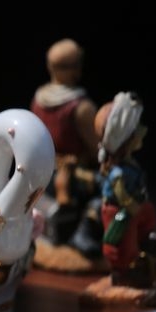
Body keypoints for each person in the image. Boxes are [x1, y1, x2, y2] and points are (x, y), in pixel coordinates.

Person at [30, 38, 102, 256]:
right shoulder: (81, 108)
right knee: (111, 188)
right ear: (75, 69)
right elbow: (97, 150)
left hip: (42, 173)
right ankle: (85, 235)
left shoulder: (38, 100)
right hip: (72, 178)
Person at [95, 92, 156, 288]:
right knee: (122, 246)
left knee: (148, 218)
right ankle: (123, 274)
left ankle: (146, 254)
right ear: (127, 138)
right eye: (137, 127)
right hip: (120, 210)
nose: (143, 130)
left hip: (135, 207)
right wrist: (130, 205)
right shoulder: (118, 172)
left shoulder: (129, 164)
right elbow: (120, 193)